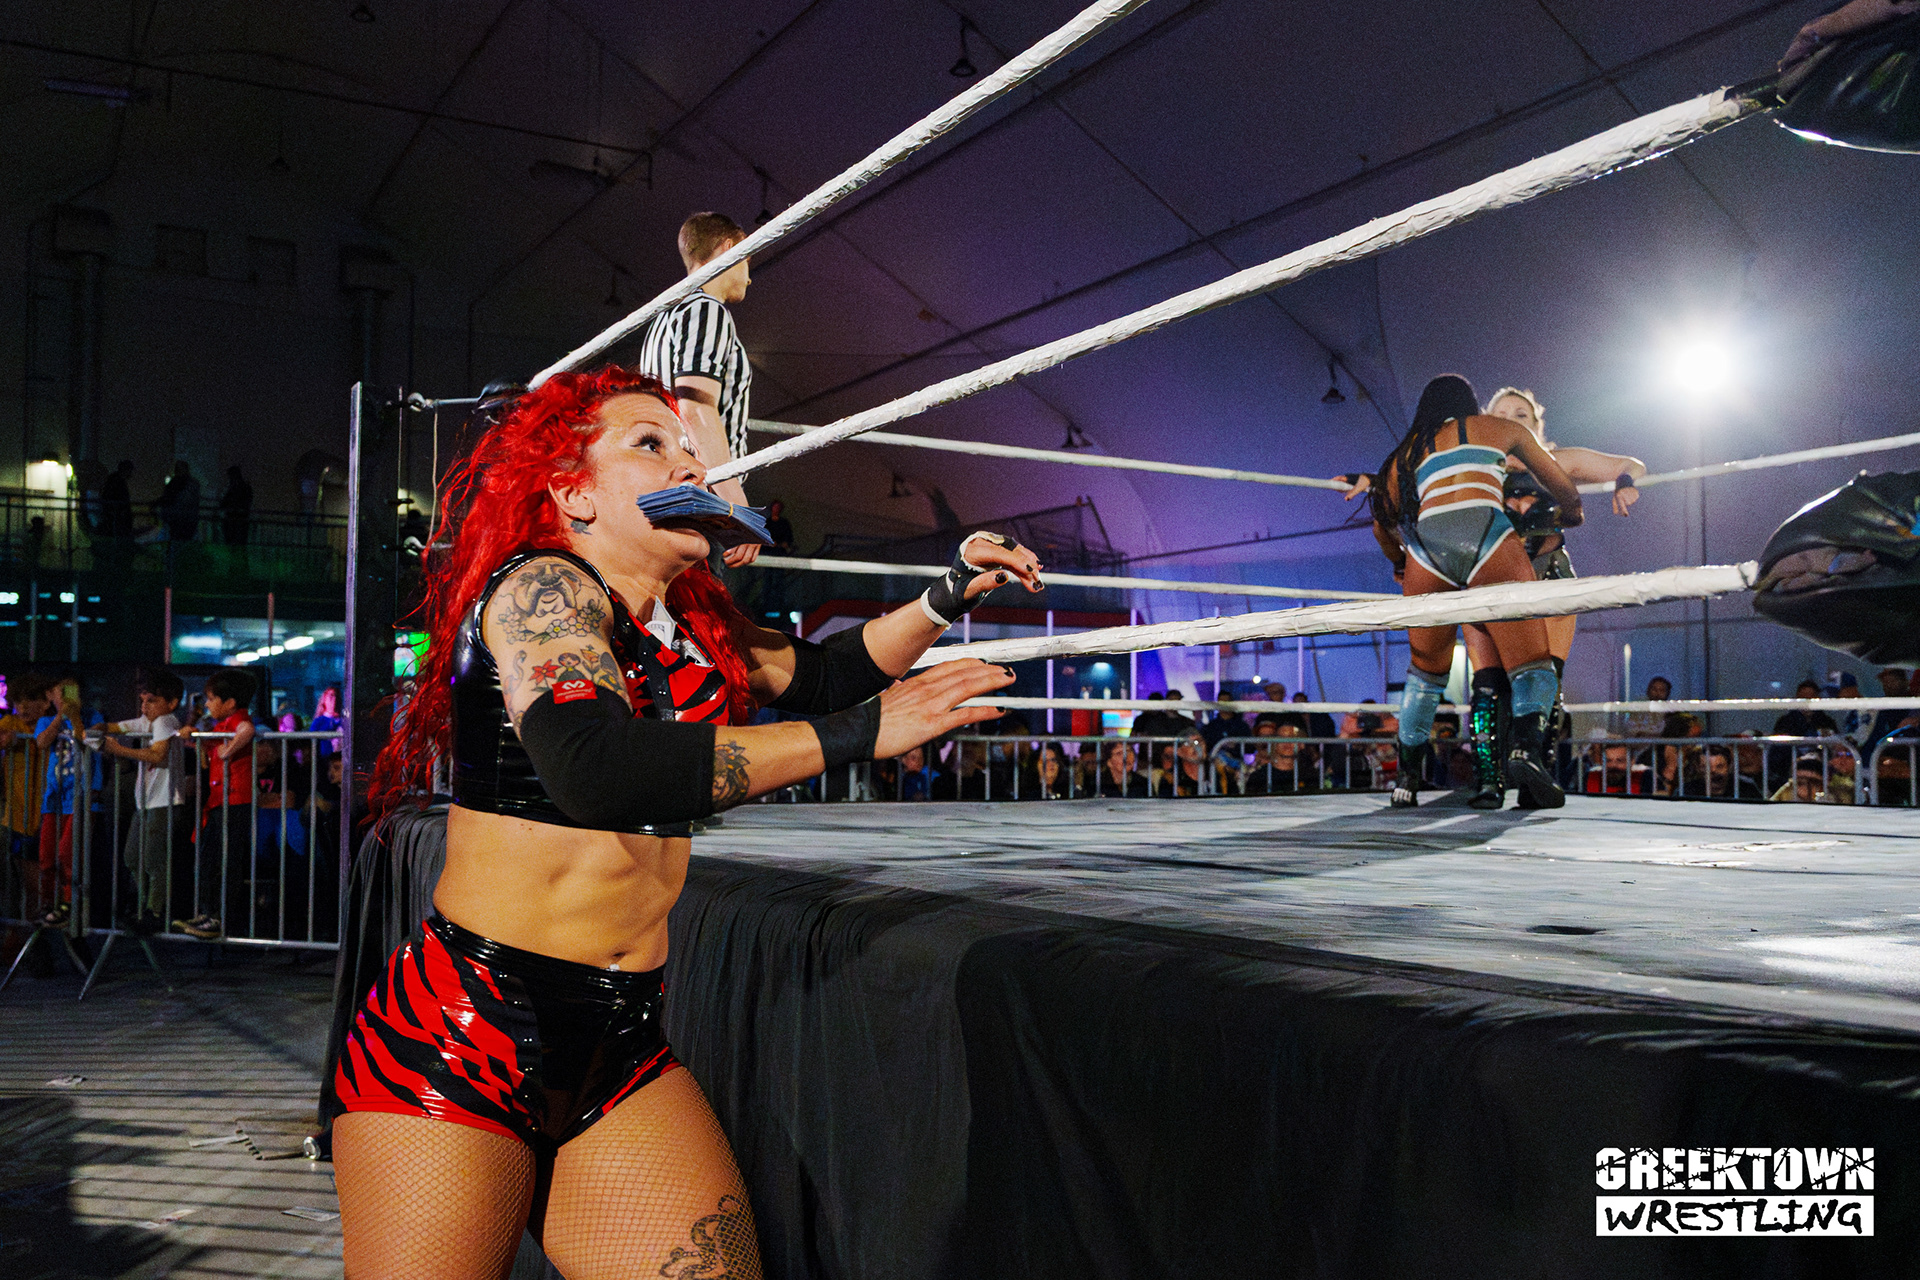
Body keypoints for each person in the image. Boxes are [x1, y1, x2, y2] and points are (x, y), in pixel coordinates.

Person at [326, 366, 1041, 1279]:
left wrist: (949, 592)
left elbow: (830, 674)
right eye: (649, 444)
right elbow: (596, 768)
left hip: (620, 1037)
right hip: (465, 1027)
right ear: (573, 492)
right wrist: (863, 735)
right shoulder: (545, 589)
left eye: (689, 449)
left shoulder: (690, 622)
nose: (691, 465)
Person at [1346, 374, 1583, 809]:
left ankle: (1406, 779)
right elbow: (1560, 484)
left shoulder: (1407, 454)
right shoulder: (1498, 429)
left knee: (1425, 673)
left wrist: (1400, 563)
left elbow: (1382, 523)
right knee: (1532, 664)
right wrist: (1573, 512)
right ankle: (1525, 751)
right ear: (1472, 405)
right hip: (1487, 539)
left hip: (1425, 555)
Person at [1450, 387, 1646, 807]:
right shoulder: (1476, 466)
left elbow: (1629, 463)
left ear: (1538, 427)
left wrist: (1625, 483)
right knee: (1487, 684)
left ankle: (1533, 775)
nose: (1510, 420)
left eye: (1521, 415)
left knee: (1546, 679)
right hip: (1488, 580)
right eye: (1501, 414)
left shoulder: (1557, 461)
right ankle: (1488, 782)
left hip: (1548, 576)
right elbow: (1420, 482)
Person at [637, 212, 761, 568]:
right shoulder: (707, 310)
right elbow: (695, 409)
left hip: (662, 488)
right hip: (699, 497)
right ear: (729, 247)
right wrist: (736, 507)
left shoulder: (664, 316)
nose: (749, 277)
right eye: (747, 260)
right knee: (701, 603)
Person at [96, 669, 190, 935]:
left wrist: (117, 749)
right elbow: (118, 726)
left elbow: (158, 755)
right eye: (143, 700)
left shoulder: (165, 721)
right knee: (133, 856)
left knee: (153, 859)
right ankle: (142, 906)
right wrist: (97, 728)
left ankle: (154, 911)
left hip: (164, 800)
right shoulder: (149, 721)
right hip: (147, 801)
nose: (145, 706)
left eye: (152, 701)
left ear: (171, 703)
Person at [175, 668, 257, 940]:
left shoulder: (238, 719)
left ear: (230, 702)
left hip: (234, 799)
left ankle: (219, 917)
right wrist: (195, 736)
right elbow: (206, 752)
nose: (207, 704)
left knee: (225, 860)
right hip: (219, 800)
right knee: (211, 857)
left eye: (211, 699)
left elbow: (247, 730)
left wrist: (228, 750)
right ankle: (208, 913)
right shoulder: (221, 725)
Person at [32, 675, 103, 927]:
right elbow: (42, 742)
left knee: (69, 852)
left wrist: (73, 716)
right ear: (50, 695)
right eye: (61, 692)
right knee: (47, 855)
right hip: (55, 798)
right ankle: (49, 902)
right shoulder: (45, 720)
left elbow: (87, 740)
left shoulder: (93, 717)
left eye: (72, 692)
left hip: (82, 796)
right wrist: (60, 716)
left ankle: (70, 903)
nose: (66, 697)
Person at [219, 465, 253, 545]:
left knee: (232, 542)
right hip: (241, 519)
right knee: (239, 543)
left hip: (233, 519)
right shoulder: (245, 487)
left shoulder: (233, 488)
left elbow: (224, 502)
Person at [102, 460, 134, 538]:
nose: (131, 473)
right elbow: (119, 497)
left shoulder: (114, 479)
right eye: (130, 471)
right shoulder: (117, 481)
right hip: (116, 513)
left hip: (115, 512)